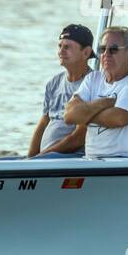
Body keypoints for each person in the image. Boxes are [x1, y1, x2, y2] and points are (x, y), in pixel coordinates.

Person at [64, 25, 128, 158]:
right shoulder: (92, 79)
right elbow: (69, 115)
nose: (106, 54)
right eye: (102, 49)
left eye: (113, 50)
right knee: (41, 162)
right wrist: (103, 103)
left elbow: (119, 118)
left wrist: (84, 114)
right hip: (94, 162)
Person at [27, 24, 93, 159]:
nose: (61, 51)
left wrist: (39, 158)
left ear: (86, 52)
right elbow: (43, 123)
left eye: (67, 47)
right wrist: (29, 159)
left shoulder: (94, 84)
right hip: (45, 159)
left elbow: (78, 138)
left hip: (72, 159)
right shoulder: (53, 83)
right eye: (60, 46)